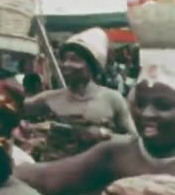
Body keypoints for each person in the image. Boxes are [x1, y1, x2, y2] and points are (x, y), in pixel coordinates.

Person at [14, 48, 175, 195]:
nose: (147, 114)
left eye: (162, 106)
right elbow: (46, 179)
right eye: (140, 103)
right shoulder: (115, 154)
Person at [24, 28, 137, 161]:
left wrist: (104, 135)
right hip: (57, 173)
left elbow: (135, 140)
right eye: (64, 59)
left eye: (75, 59)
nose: (66, 65)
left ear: (93, 66)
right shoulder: (49, 98)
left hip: (99, 172)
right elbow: (16, 109)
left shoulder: (112, 98)